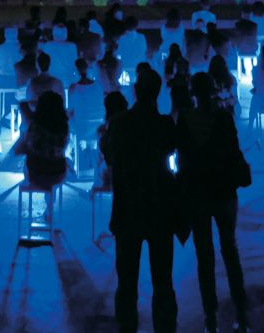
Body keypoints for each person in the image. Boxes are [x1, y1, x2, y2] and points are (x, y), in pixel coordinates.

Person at [101, 69, 179, 333]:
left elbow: (108, 155)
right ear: (158, 92)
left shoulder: (119, 123)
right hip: (159, 208)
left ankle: (127, 326)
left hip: (127, 208)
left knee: (126, 282)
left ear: (135, 91)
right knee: (163, 280)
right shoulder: (165, 125)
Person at [178, 72, 250, 333]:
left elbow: (182, 159)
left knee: (204, 256)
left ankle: (211, 316)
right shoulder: (224, 117)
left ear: (192, 92)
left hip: (198, 194)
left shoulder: (185, 119)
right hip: (224, 191)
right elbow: (234, 151)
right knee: (230, 249)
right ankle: (241, 312)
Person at [20, 89, 70, 221]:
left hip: (35, 174)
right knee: (54, 164)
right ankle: (50, 209)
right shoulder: (64, 126)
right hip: (58, 174)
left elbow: (28, 146)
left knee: (32, 160)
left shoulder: (34, 126)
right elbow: (63, 148)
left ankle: (28, 181)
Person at [23, 52, 65, 119]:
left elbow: (29, 101)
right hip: (53, 118)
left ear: (37, 65)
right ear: (49, 64)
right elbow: (62, 103)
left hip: (38, 117)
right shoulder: (57, 82)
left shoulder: (32, 82)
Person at [42, 23, 79, 89]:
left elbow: (44, 64)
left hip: (52, 82)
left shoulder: (48, 45)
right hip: (68, 81)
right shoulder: (72, 46)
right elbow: (76, 64)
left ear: (54, 33)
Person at [117, 15, 147, 84]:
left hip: (125, 67)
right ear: (136, 25)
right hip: (138, 68)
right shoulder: (141, 37)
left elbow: (118, 52)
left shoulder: (121, 38)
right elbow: (144, 51)